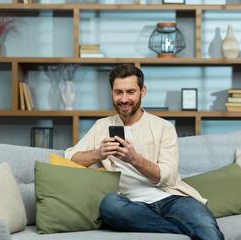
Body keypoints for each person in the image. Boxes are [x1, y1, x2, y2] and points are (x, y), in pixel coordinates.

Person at [65, 64, 224, 240]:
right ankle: (180, 233)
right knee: (109, 205)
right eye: (118, 92)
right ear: (111, 92)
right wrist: (98, 154)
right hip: (131, 204)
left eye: (130, 92)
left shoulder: (164, 127)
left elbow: (168, 175)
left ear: (143, 91)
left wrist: (134, 159)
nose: (124, 99)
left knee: (209, 232)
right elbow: (71, 157)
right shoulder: (101, 126)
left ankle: (179, 232)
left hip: (172, 199)